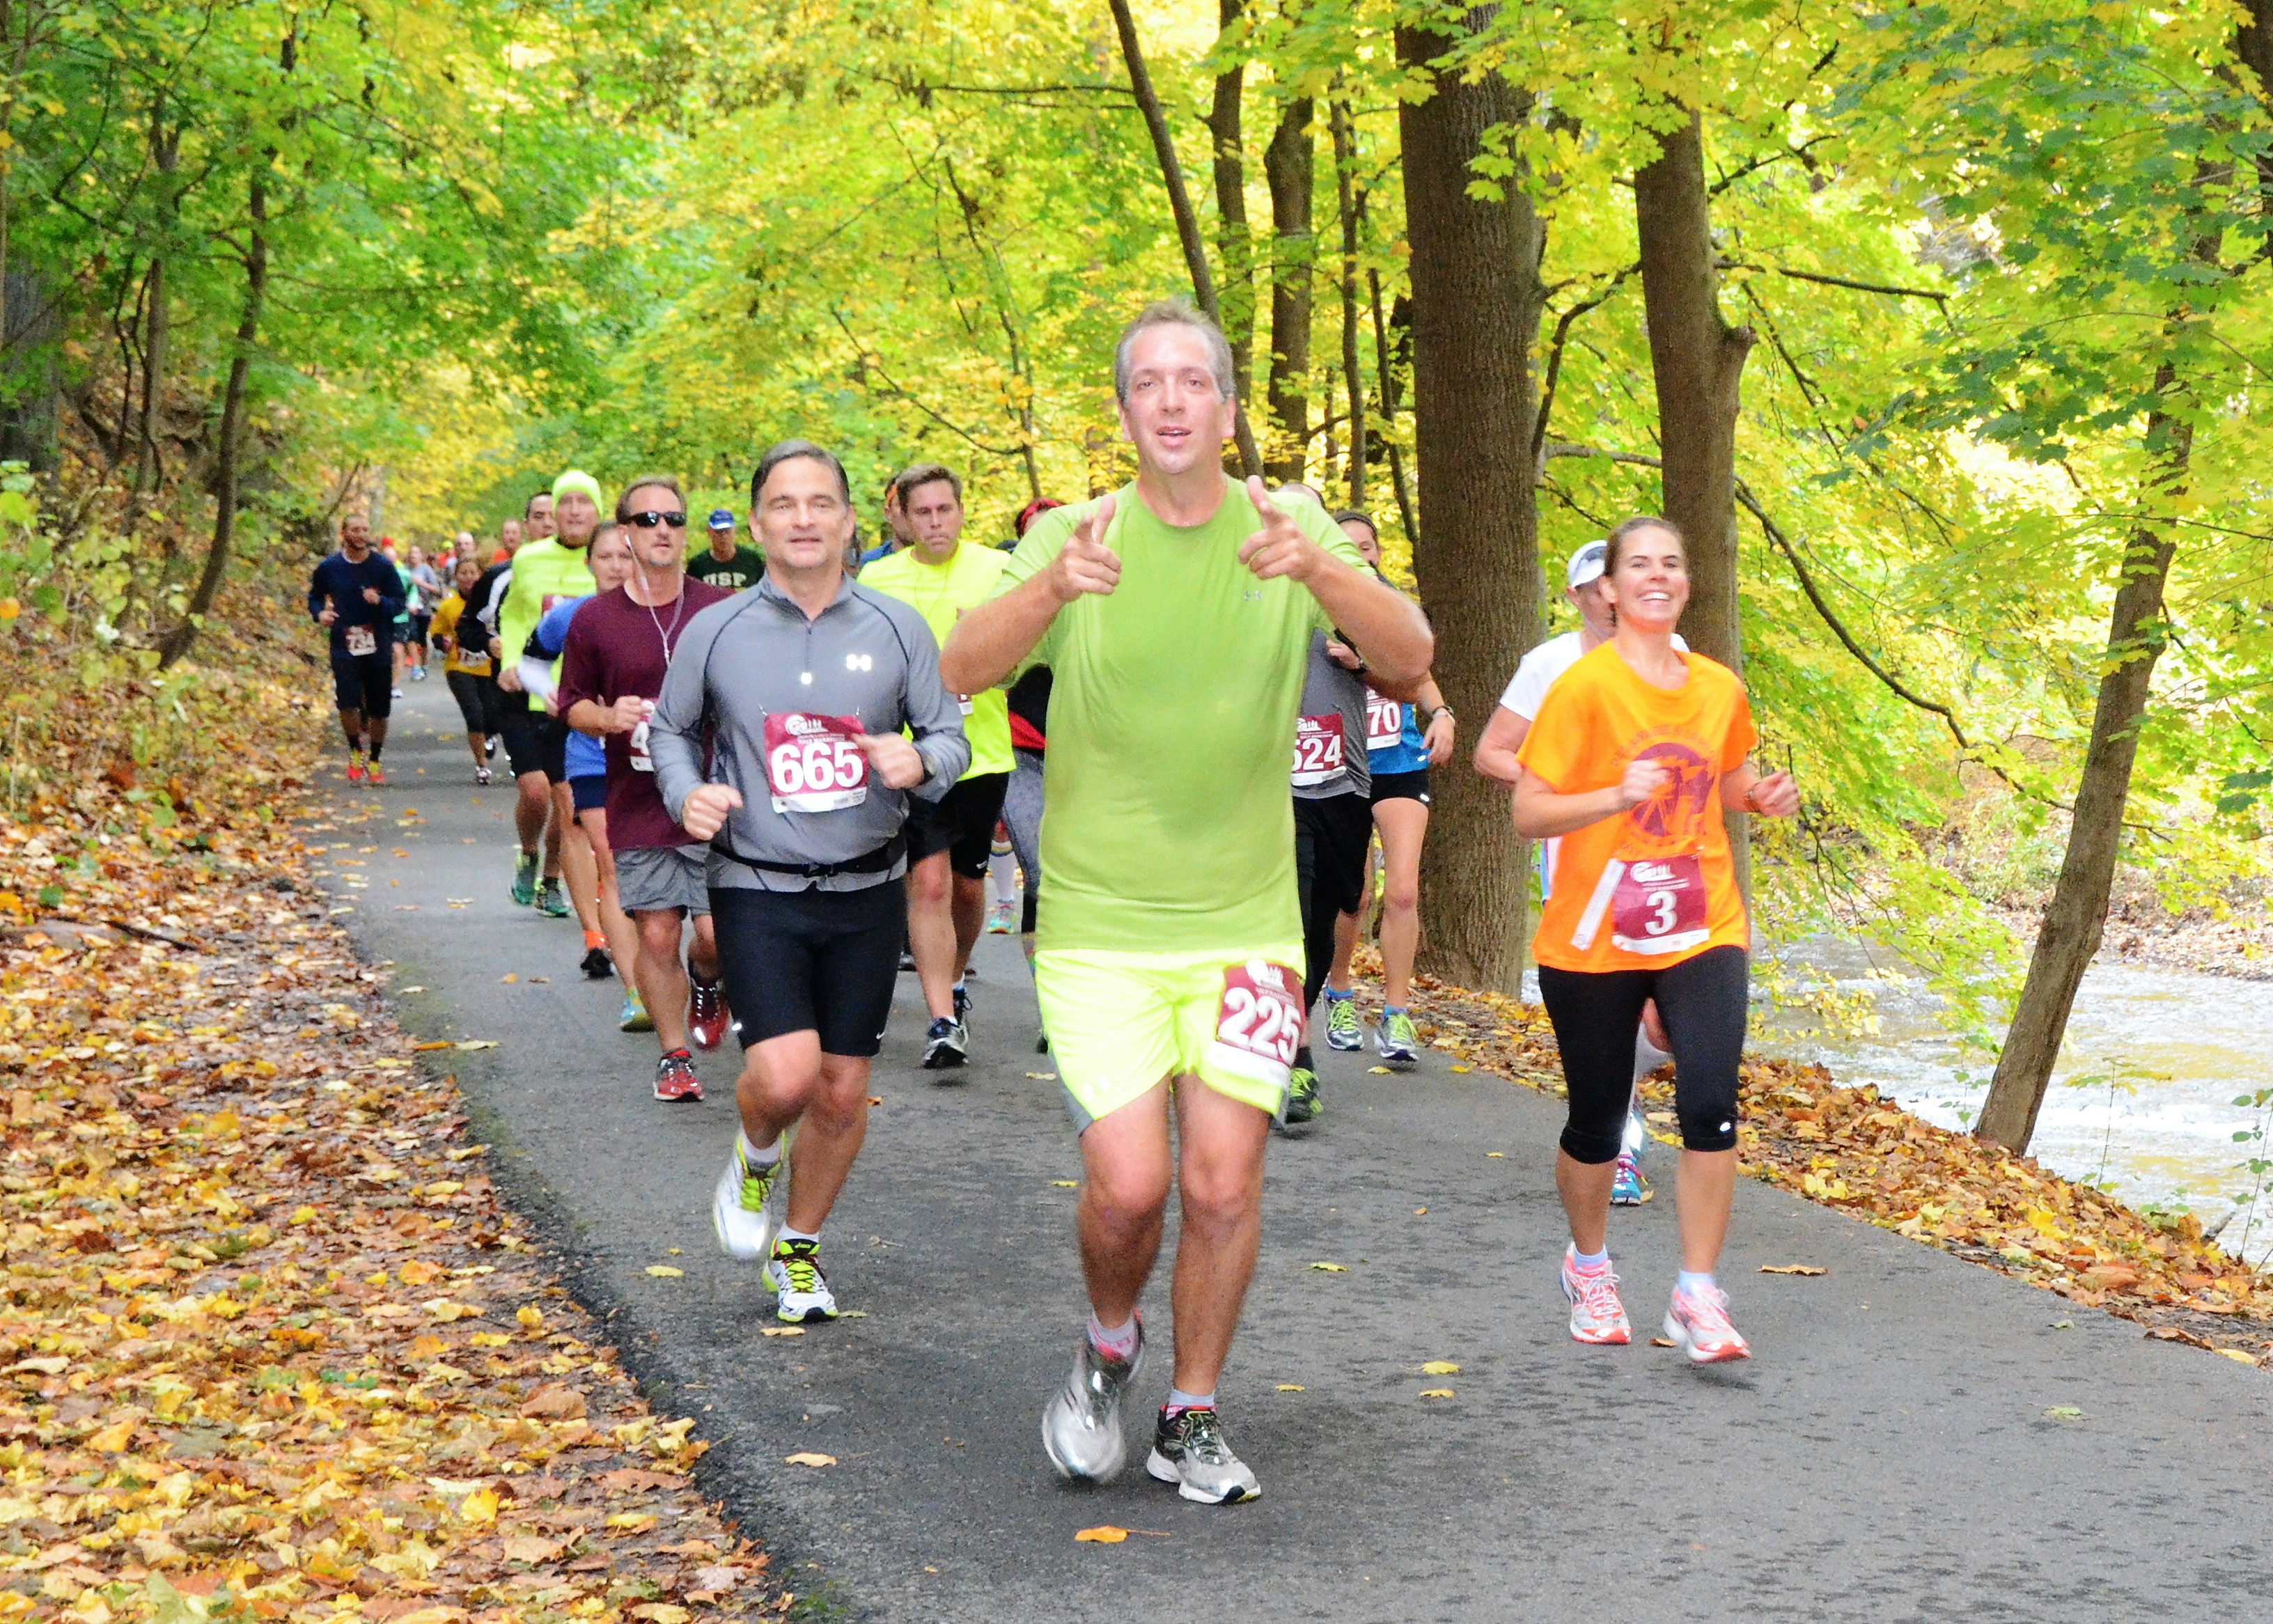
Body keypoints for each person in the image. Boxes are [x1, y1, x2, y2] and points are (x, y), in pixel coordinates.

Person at [939, 299, 1430, 1503]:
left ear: (1223, 407)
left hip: (1250, 925)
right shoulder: (1075, 529)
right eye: (1145, 384)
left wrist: (1318, 567)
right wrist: (1052, 588)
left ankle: (1191, 1411)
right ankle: (1109, 1344)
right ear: (1122, 412)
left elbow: (1410, 660)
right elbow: (956, 669)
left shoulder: (1289, 521)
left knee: (1221, 1181)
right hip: (1102, 928)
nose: (1168, 400)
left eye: (1190, 381)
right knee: (1130, 1186)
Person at [653, 439, 969, 1324]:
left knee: (840, 1086)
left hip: (869, 884)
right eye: (783, 505)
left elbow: (951, 737)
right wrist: (687, 792)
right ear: (756, 524)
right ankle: (755, 1158)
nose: (802, 519)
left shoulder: (899, 626)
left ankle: (797, 1251)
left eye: (819, 503)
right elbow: (671, 733)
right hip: (757, 878)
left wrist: (921, 759)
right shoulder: (714, 629)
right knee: (787, 1077)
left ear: (848, 520)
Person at [1508, 515, 1798, 1364]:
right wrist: (1610, 795)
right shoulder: (1582, 688)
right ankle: (1590, 1265)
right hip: (1594, 932)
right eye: (1639, 564)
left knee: (1710, 1100)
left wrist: (1760, 795)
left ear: (1686, 583)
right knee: (1597, 1123)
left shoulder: (1717, 687)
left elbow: (1728, 777)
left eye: (1672, 562)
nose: (1657, 576)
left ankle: (1697, 1293)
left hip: (1702, 920)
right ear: (1610, 589)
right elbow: (1529, 811)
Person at [1478, 537, 1690, 1203]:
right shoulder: (1548, 665)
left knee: (1663, 1019)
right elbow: (1491, 754)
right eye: (1592, 585)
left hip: (1661, 852)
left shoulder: (1675, 658)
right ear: (1575, 598)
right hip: (1580, 857)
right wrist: (1571, 787)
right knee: (1613, 999)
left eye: (1613, 580)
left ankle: (1619, 1110)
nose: (1606, 594)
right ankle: (1617, 1133)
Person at [562, 476, 735, 1099]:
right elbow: (572, 704)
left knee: (715, 937)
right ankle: (674, 1054)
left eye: (673, 519)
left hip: (718, 798)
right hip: (640, 799)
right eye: (647, 519)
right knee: (658, 932)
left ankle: (710, 983)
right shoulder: (595, 619)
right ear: (626, 533)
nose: (662, 528)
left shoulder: (720, 609)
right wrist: (610, 718)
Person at [859, 463, 1012, 1070]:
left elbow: (1024, 653)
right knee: (928, 882)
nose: (935, 522)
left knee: (968, 886)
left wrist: (988, 675)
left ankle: (955, 976)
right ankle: (942, 1017)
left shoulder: (998, 570)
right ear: (902, 517)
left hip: (983, 754)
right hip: (910, 757)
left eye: (944, 510)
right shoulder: (878, 578)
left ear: (961, 511)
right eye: (922, 512)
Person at [1319, 510, 1455, 1070]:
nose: (1363, 555)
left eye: (1369, 545)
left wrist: (1442, 713)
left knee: (1402, 892)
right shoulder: (1314, 611)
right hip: (1339, 765)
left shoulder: (1396, 611)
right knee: (1355, 896)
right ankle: (1340, 992)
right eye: (1349, 547)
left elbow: (1416, 674)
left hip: (1399, 761)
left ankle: (1397, 1014)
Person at [520, 526, 649, 1008]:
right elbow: (531, 660)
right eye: (606, 557)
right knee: (611, 864)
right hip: (591, 752)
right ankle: (636, 990)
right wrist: (556, 698)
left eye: (625, 556)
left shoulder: (663, 615)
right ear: (589, 564)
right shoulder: (571, 616)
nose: (616, 566)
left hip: (655, 758)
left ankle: (686, 966)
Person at [497, 472, 600, 916]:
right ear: (553, 513)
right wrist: (510, 665)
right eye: (567, 502)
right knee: (542, 794)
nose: (575, 510)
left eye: (584, 502)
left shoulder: (612, 559)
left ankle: (554, 881)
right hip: (532, 694)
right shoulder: (528, 559)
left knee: (571, 804)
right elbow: (515, 617)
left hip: (584, 698)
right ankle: (529, 854)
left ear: (599, 512)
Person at [1001, 496, 1061, 1051]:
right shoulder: (1009, 595)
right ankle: (1053, 1010)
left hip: (1093, 758)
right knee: (1044, 877)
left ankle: (1082, 997)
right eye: (1035, 534)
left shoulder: (1104, 590)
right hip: (1025, 754)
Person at [308, 511, 405, 785]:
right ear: (344, 533)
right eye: (356, 530)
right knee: (347, 703)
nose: (362, 535)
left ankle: (374, 759)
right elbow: (314, 597)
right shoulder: (329, 567)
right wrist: (320, 615)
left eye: (365, 530)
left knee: (379, 709)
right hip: (344, 643)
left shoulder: (383, 567)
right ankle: (354, 751)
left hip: (378, 645)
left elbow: (399, 602)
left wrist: (380, 602)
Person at [432, 556, 501, 784]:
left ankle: (490, 736)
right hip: (459, 666)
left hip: (489, 667)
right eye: (463, 573)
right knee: (474, 715)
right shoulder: (449, 606)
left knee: (492, 716)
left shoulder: (492, 603)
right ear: (455, 577)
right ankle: (482, 766)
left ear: (482, 576)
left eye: (473, 573)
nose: (468, 577)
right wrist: (443, 643)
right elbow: (437, 633)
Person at [689, 508, 763, 590]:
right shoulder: (698, 565)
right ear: (709, 532)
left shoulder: (751, 560)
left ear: (735, 531)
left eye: (727, 531)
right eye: (718, 532)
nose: (724, 537)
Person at [855, 474, 913, 570]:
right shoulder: (866, 565)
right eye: (902, 504)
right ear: (888, 514)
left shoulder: (945, 564)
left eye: (922, 509)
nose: (910, 512)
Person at [405, 544, 440, 683]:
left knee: (422, 639)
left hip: (423, 609)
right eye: (411, 552)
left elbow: (437, 590)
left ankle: (424, 665)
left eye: (416, 552)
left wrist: (420, 583)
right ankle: (416, 667)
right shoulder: (404, 570)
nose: (413, 555)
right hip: (408, 610)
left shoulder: (426, 570)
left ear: (421, 555)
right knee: (411, 638)